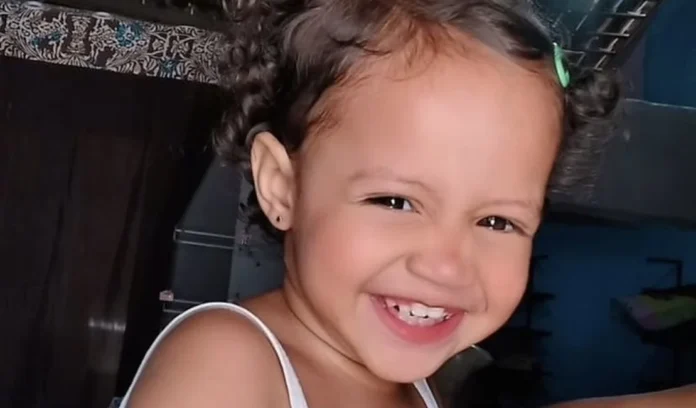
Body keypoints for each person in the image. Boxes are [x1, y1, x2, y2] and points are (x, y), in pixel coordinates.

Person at [120, 0, 619, 407]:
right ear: (281, 185)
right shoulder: (226, 361)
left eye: (497, 221)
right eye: (396, 202)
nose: (447, 265)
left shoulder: (419, 388)